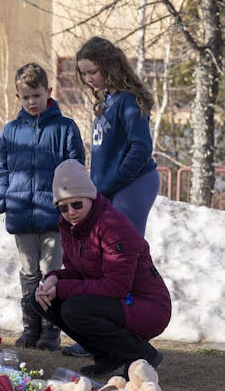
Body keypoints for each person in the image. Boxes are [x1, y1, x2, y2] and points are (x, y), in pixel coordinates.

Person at [65, 37, 161, 359]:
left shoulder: (128, 101)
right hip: (108, 189)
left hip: (132, 187)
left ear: (108, 66)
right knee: (101, 258)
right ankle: (99, 329)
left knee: (121, 261)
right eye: (84, 74)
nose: (89, 79)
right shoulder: (106, 102)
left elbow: (140, 150)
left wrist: (111, 185)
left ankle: (126, 334)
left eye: (92, 72)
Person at [32, 159, 170, 377]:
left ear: (91, 197)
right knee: (41, 300)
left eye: (76, 204)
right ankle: (108, 356)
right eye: (63, 207)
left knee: (74, 309)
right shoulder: (70, 226)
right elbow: (77, 272)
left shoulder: (113, 226)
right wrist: (53, 279)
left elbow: (116, 287)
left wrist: (62, 288)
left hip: (146, 305)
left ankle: (142, 355)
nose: (70, 212)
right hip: (118, 300)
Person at [0, 63, 85, 351]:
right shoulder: (10, 132)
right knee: (28, 271)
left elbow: (75, 166)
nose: (31, 102)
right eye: (25, 97)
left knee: (51, 271)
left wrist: (68, 205)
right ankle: (30, 328)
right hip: (20, 213)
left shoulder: (65, 128)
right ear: (18, 97)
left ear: (49, 92)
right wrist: (2, 197)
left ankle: (50, 330)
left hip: (54, 215)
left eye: (36, 95)